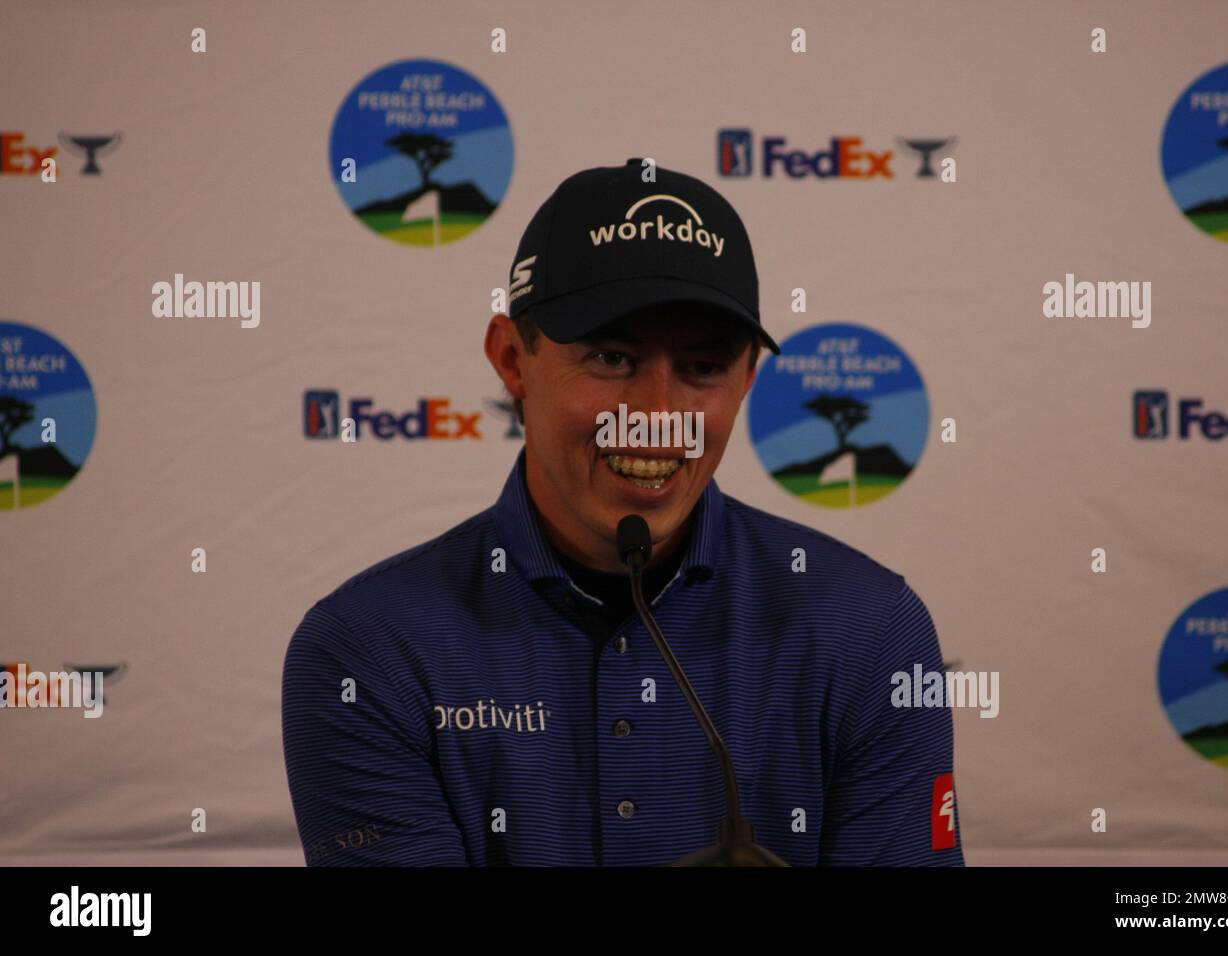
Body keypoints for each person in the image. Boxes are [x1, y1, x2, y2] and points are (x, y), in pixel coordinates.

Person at [281, 159, 964, 866]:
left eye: (702, 368)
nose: (659, 417)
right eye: (612, 357)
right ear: (512, 360)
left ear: (747, 384)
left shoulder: (869, 627)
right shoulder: (366, 652)